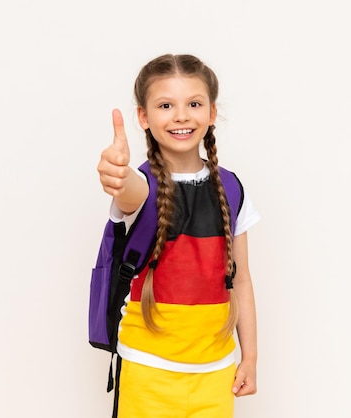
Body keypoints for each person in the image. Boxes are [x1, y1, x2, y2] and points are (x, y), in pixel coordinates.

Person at [97, 53, 260, 417]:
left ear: (212, 113)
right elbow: (128, 192)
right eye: (166, 105)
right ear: (143, 116)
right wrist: (118, 175)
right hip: (147, 372)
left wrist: (249, 357)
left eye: (194, 104)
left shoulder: (231, 189)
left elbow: (243, 280)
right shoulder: (143, 186)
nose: (181, 115)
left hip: (215, 373)